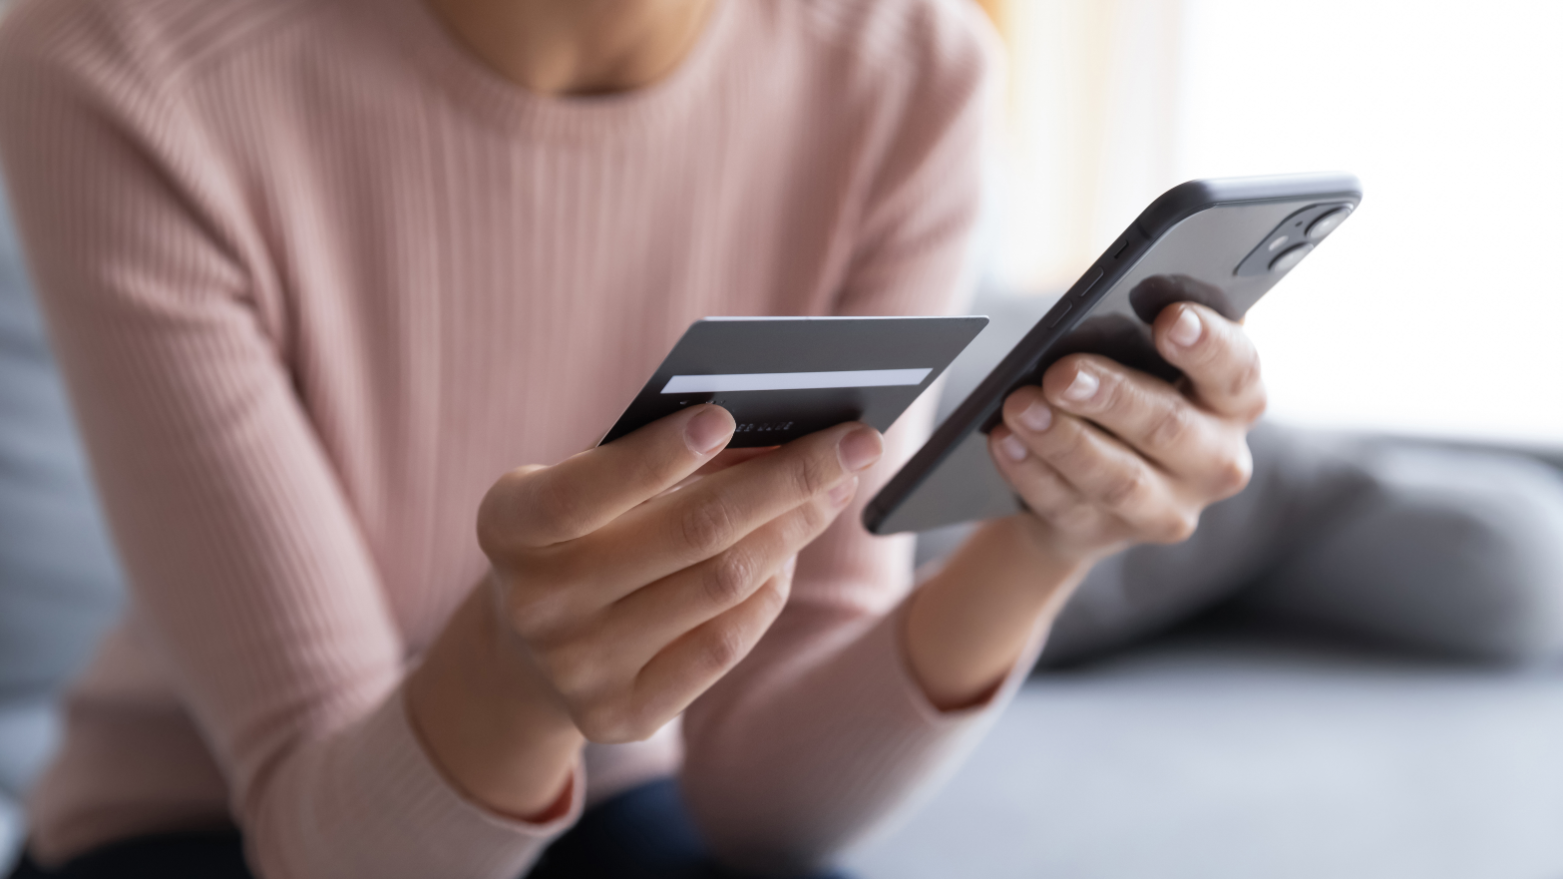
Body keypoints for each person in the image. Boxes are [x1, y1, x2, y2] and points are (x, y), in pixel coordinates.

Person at [0, 0, 1264, 876]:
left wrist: (1035, 549)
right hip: (204, 823)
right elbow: (324, 842)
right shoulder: (119, 66)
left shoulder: (907, 69)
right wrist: (512, 672)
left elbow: (762, 803)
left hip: (610, 801)